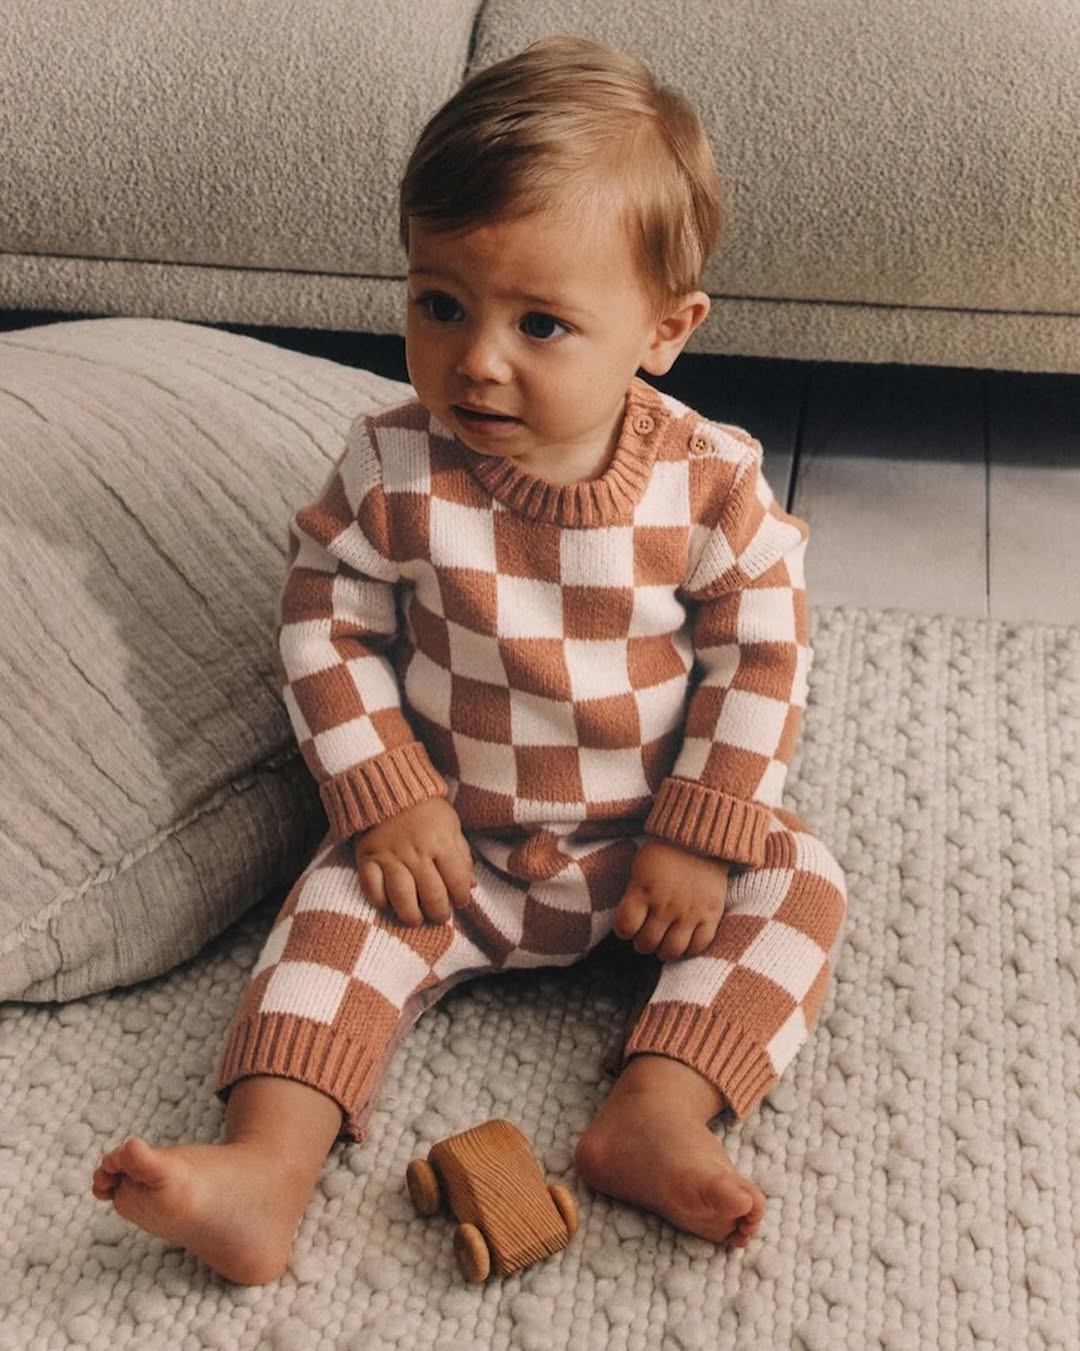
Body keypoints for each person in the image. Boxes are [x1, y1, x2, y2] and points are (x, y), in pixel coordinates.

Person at [92, 34, 847, 1285]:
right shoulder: (393, 467)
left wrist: (702, 831)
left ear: (664, 330)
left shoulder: (713, 485)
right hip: (452, 849)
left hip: (648, 845)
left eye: (540, 323)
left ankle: (659, 1110)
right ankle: (263, 1168)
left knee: (801, 885)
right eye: (440, 304)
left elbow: (764, 658)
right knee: (329, 921)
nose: (477, 358)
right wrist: (387, 795)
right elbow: (323, 626)